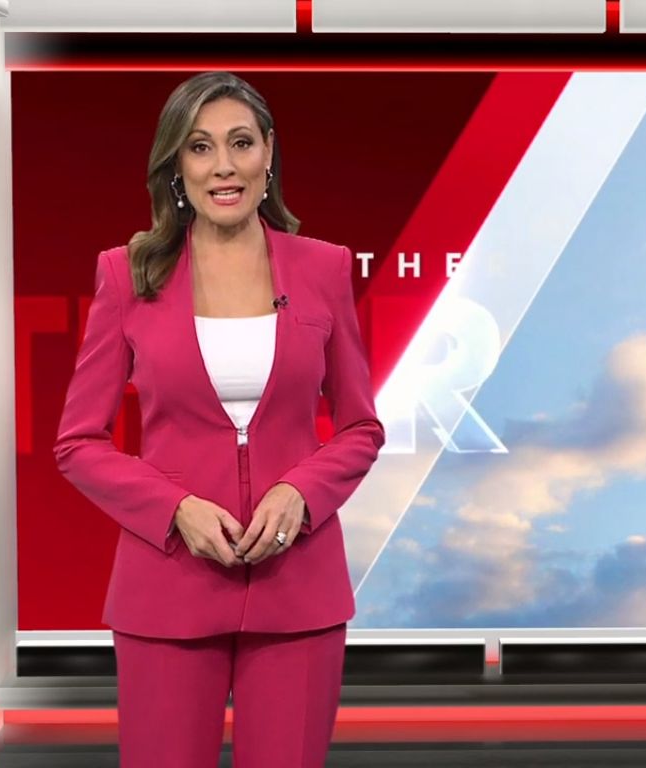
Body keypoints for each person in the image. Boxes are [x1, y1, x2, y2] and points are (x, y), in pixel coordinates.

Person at [53, 71, 385, 768]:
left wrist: (300, 492)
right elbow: (78, 442)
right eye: (200, 147)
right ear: (177, 165)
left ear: (269, 152)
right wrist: (175, 509)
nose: (224, 166)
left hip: (297, 590)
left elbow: (361, 427)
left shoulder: (324, 268)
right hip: (168, 587)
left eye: (241, 143)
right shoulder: (127, 273)